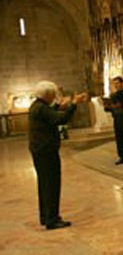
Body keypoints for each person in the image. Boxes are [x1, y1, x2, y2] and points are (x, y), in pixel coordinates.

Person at [29, 81, 86, 230]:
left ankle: (46, 216)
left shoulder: (37, 106)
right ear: (47, 94)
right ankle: (52, 219)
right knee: (51, 184)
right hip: (46, 151)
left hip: (40, 150)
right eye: (53, 94)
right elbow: (60, 119)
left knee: (44, 185)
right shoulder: (41, 108)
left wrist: (59, 105)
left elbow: (50, 114)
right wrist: (74, 104)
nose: (54, 97)